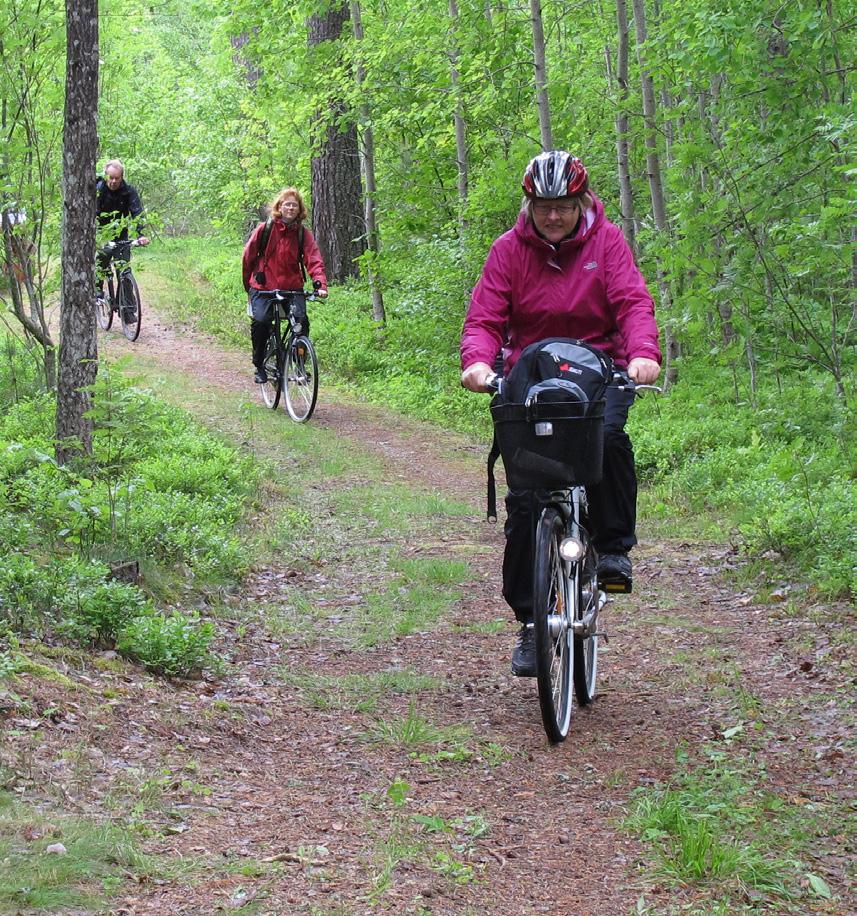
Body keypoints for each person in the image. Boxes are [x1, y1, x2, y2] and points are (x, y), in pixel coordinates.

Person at [460, 150, 661, 677]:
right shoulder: (509, 251)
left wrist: (642, 355)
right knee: (527, 497)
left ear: (580, 202)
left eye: (563, 206)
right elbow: (485, 316)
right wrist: (478, 364)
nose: (553, 216)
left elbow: (632, 302)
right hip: (532, 371)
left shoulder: (606, 242)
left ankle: (614, 549)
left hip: (600, 367)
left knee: (610, 440)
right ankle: (531, 622)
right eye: (543, 206)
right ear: (529, 204)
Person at [242, 187, 328, 384]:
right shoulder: (265, 229)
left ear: (300, 209)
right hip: (263, 288)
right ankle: (259, 364)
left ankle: (299, 364)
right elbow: (247, 258)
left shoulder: (302, 234)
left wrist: (320, 284)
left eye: (294, 205)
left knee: (301, 322)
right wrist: (249, 286)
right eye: (287, 204)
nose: (291, 207)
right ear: (279, 207)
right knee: (262, 321)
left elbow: (313, 259)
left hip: (292, 287)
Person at [95, 160, 149, 297]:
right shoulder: (98, 190)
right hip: (101, 235)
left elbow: (137, 213)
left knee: (124, 271)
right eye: (110, 177)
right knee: (100, 268)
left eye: (117, 178)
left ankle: (128, 311)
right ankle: (97, 297)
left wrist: (141, 234)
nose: (113, 181)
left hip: (121, 236)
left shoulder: (129, 191)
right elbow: (92, 213)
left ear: (122, 177)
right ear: (106, 176)